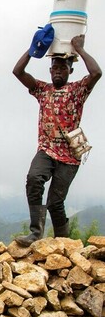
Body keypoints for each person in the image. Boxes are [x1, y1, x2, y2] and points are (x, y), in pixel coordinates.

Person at [13, 34, 101, 246]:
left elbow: (96, 72)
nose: (58, 71)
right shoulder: (43, 90)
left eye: (63, 68)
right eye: (55, 68)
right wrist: (33, 49)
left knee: (55, 202)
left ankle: (63, 242)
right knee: (34, 179)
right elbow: (18, 72)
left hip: (69, 155)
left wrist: (79, 49)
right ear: (50, 71)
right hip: (46, 149)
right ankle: (35, 232)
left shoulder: (77, 91)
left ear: (70, 71)